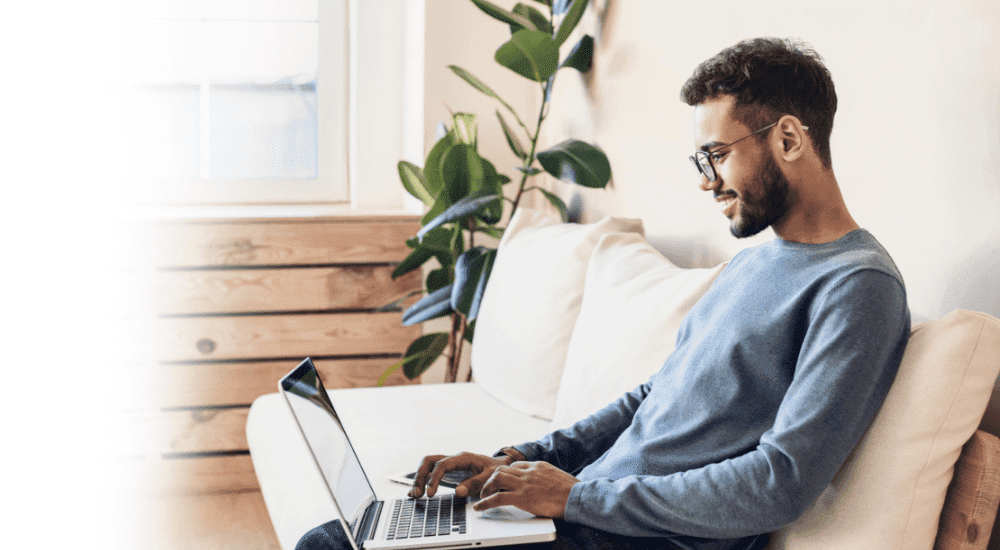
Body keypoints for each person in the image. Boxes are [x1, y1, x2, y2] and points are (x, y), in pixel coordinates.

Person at [297, 37, 911, 550]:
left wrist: (572, 496)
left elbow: (780, 480)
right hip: (586, 512)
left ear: (788, 140)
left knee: (330, 546)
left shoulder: (858, 287)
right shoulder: (754, 263)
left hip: (637, 537)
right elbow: (656, 395)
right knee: (352, 532)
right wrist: (521, 458)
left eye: (716, 156)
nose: (707, 183)